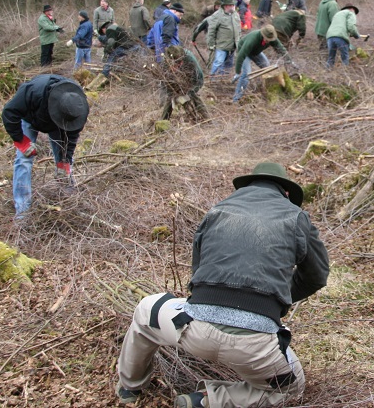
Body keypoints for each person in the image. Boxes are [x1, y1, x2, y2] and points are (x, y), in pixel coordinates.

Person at [115, 161, 329, 407]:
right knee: (291, 389)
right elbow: (317, 275)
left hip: (193, 330)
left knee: (145, 311)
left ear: (246, 185)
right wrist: (275, 299)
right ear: (287, 193)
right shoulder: (297, 217)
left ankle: (129, 389)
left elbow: (197, 271)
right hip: (256, 347)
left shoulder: (217, 210)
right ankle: (205, 402)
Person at [2, 75, 89, 217]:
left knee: (64, 166)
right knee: (23, 161)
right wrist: (21, 141)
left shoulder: (77, 107)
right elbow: (9, 113)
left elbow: (71, 137)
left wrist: (65, 160)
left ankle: (70, 203)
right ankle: (22, 212)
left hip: (60, 123)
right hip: (31, 118)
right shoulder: (32, 91)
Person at [233, 25, 290, 103]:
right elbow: (241, 55)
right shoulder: (253, 39)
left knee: (267, 68)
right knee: (246, 74)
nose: (268, 41)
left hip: (255, 52)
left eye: (269, 40)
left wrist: (289, 60)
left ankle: (269, 92)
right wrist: (237, 72)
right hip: (244, 52)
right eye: (267, 39)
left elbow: (281, 48)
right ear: (263, 35)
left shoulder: (272, 38)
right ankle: (236, 98)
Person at [158, 46, 209, 122]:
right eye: (174, 64)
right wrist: (170, 93)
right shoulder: (165, 62)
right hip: (174, 79)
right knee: (170, 97)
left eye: (178, 63)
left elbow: (199, 80)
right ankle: (163, 121)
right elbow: (164, 82)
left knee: (193, 96)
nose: (176, 66)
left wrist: (191, 91)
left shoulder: (190, 59)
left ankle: (206, 118)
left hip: (189, 78)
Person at [206, 0, 242, 79]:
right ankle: (213, 80)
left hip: (233, 46)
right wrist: (211, 44)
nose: (233, 7)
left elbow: (239, 29)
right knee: (219, 62)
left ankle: (224, 80)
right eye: (231, 5)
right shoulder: (217, 15)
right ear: (226, 6)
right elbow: (211, 31)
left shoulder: (235, 14)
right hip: (221, 45)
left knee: (229, 64)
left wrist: (239, 41)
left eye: (233, 5)